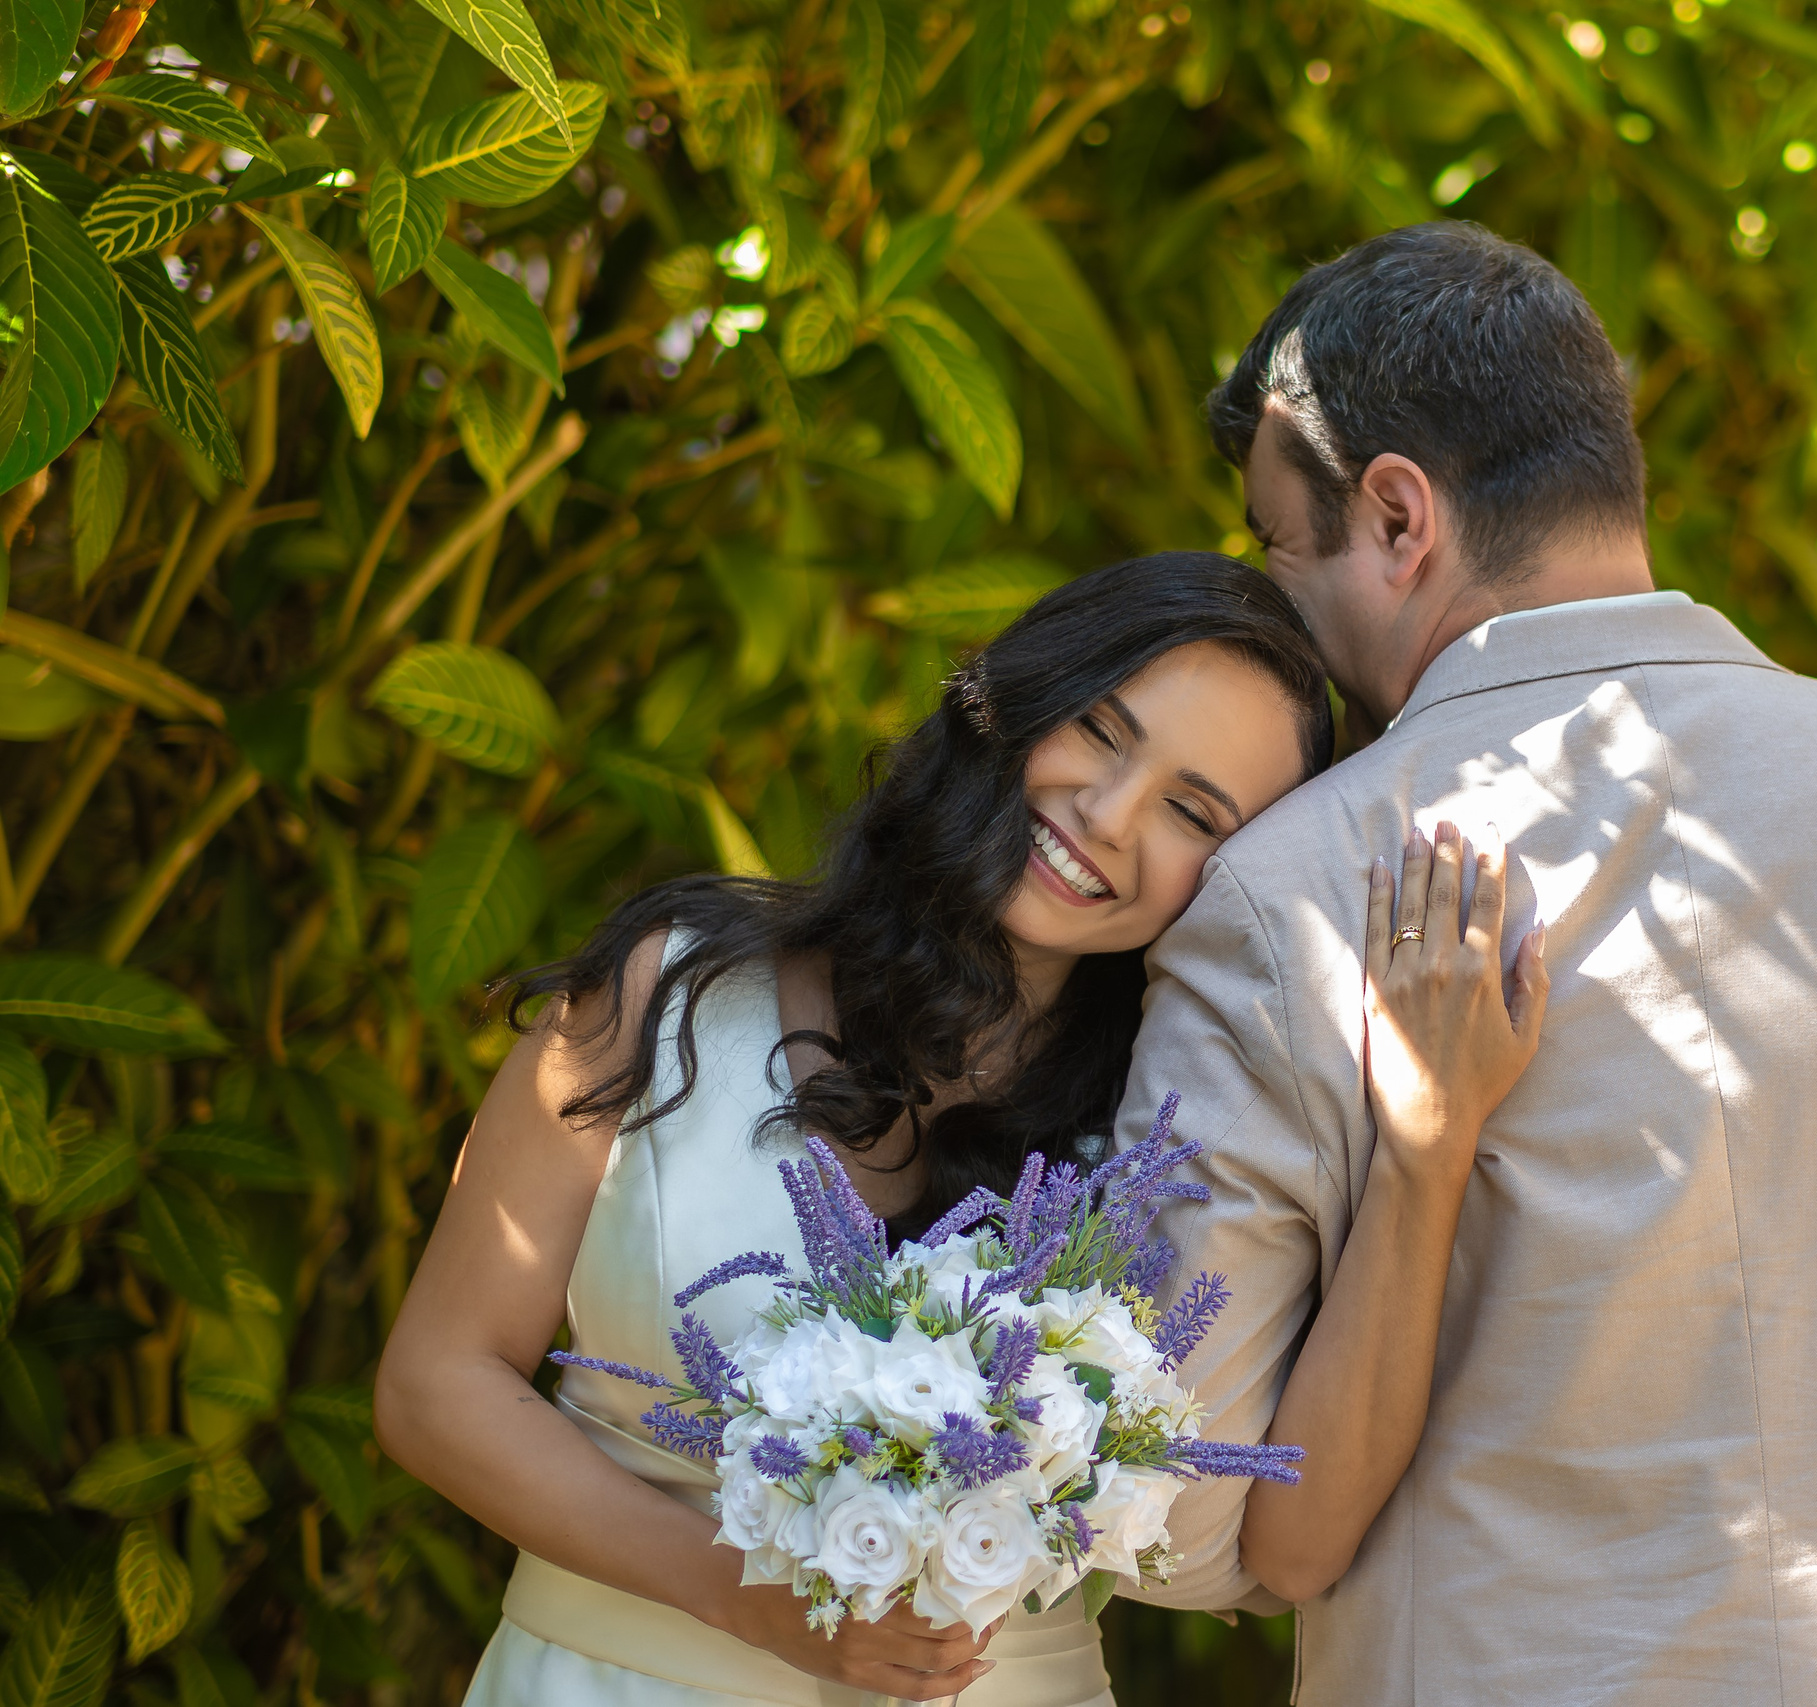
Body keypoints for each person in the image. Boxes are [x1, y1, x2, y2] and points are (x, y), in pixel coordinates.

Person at [1116, 221, 1817, 1704]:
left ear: (1395, 515)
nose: (1280, 602)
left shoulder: (1284, 892)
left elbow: (1190, 1510)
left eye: (1276, 543)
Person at [374, 551, 1549, 1707]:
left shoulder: (1175, 1136)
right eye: (1098, 729)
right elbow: (436, 1383)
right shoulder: (670, 992)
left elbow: (1292, 1549)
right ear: (1012, 702)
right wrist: (736, 1597)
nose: (1105, 813)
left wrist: (1424, 1148)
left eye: (1193, 811)